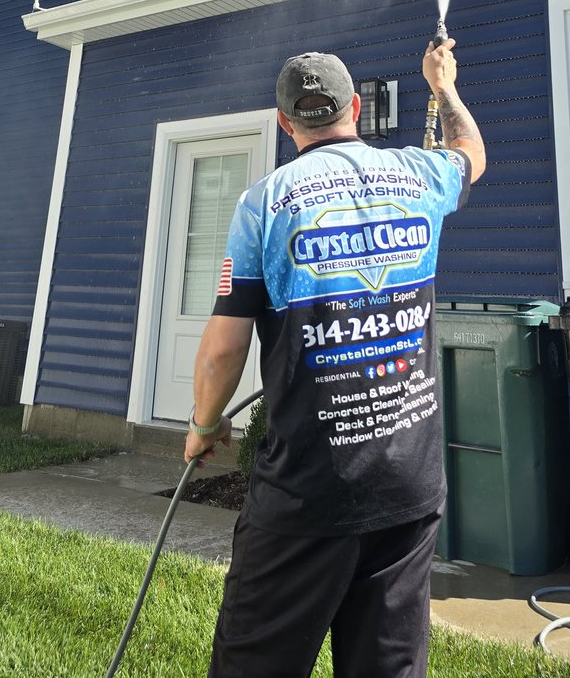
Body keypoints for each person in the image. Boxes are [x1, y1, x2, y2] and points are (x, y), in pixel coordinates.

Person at [184, 37, 486, 678]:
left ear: (284, 122)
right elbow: (470, 154)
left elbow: (223, 348)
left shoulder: (265, 203)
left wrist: (205, 425)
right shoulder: (419, 174)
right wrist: (444, 87)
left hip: (307, 491)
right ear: (354, 107)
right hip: (409, 481)